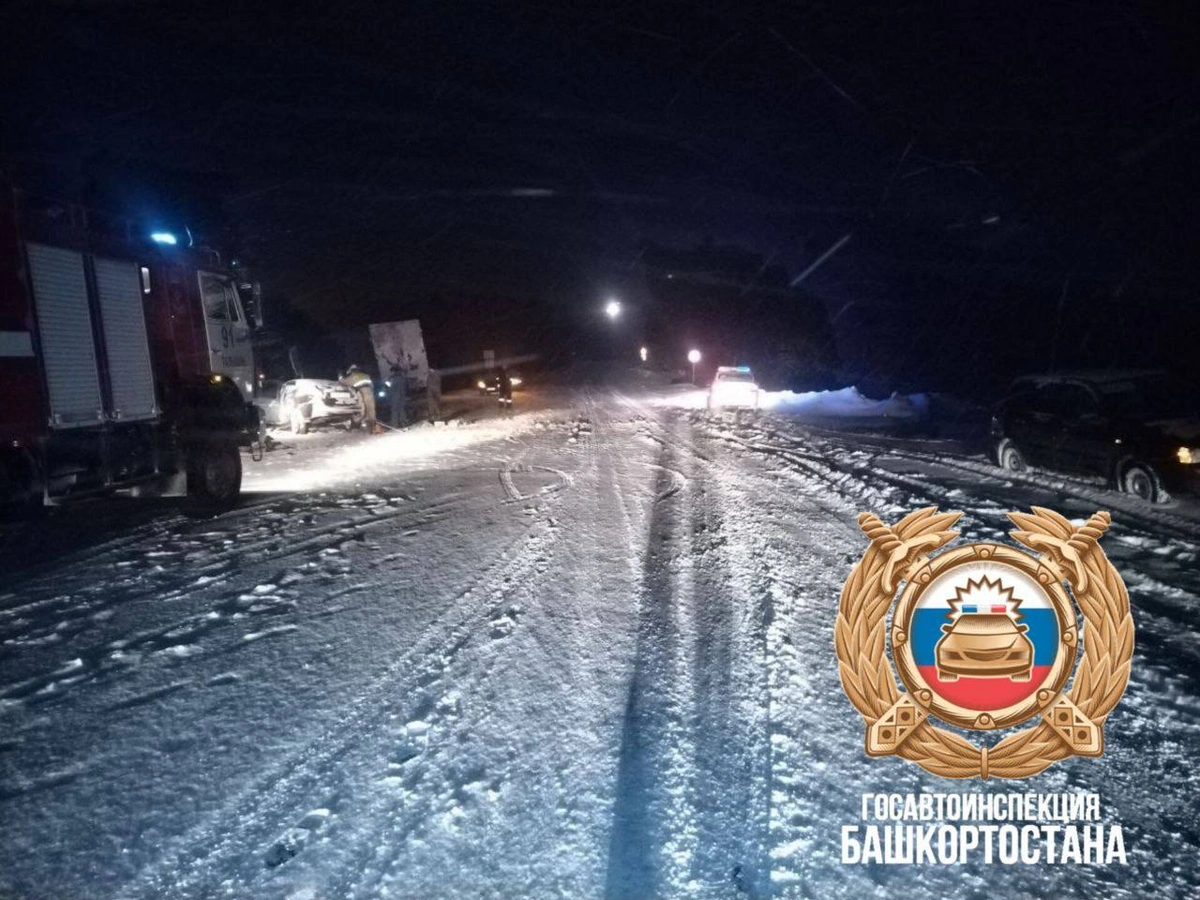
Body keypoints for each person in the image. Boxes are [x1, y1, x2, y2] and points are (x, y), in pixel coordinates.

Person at [341, 364, 377, 432]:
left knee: (362, 409)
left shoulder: (353, 376)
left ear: (351, 371)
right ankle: (373, 425)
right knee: (371, 408)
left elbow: (344, 382)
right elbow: (372, 385)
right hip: (369, 391)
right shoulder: (365, 375)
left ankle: (356, 424)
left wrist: (341, 378)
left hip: (361, 392)